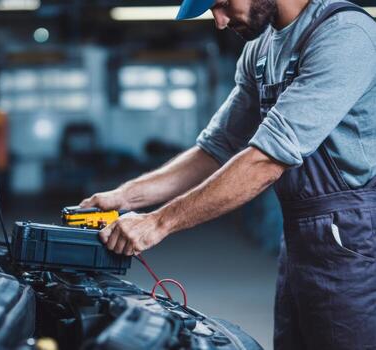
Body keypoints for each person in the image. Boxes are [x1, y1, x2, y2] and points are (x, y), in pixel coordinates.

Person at [79, 0, 376, 348]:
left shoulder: (344, 35)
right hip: (299, 237)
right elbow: (217, 148)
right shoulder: (260, 49)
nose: (219, 22)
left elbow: (266, 160)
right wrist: (123, 197)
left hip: (356, 239)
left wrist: (157, 223)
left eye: (221, 5)